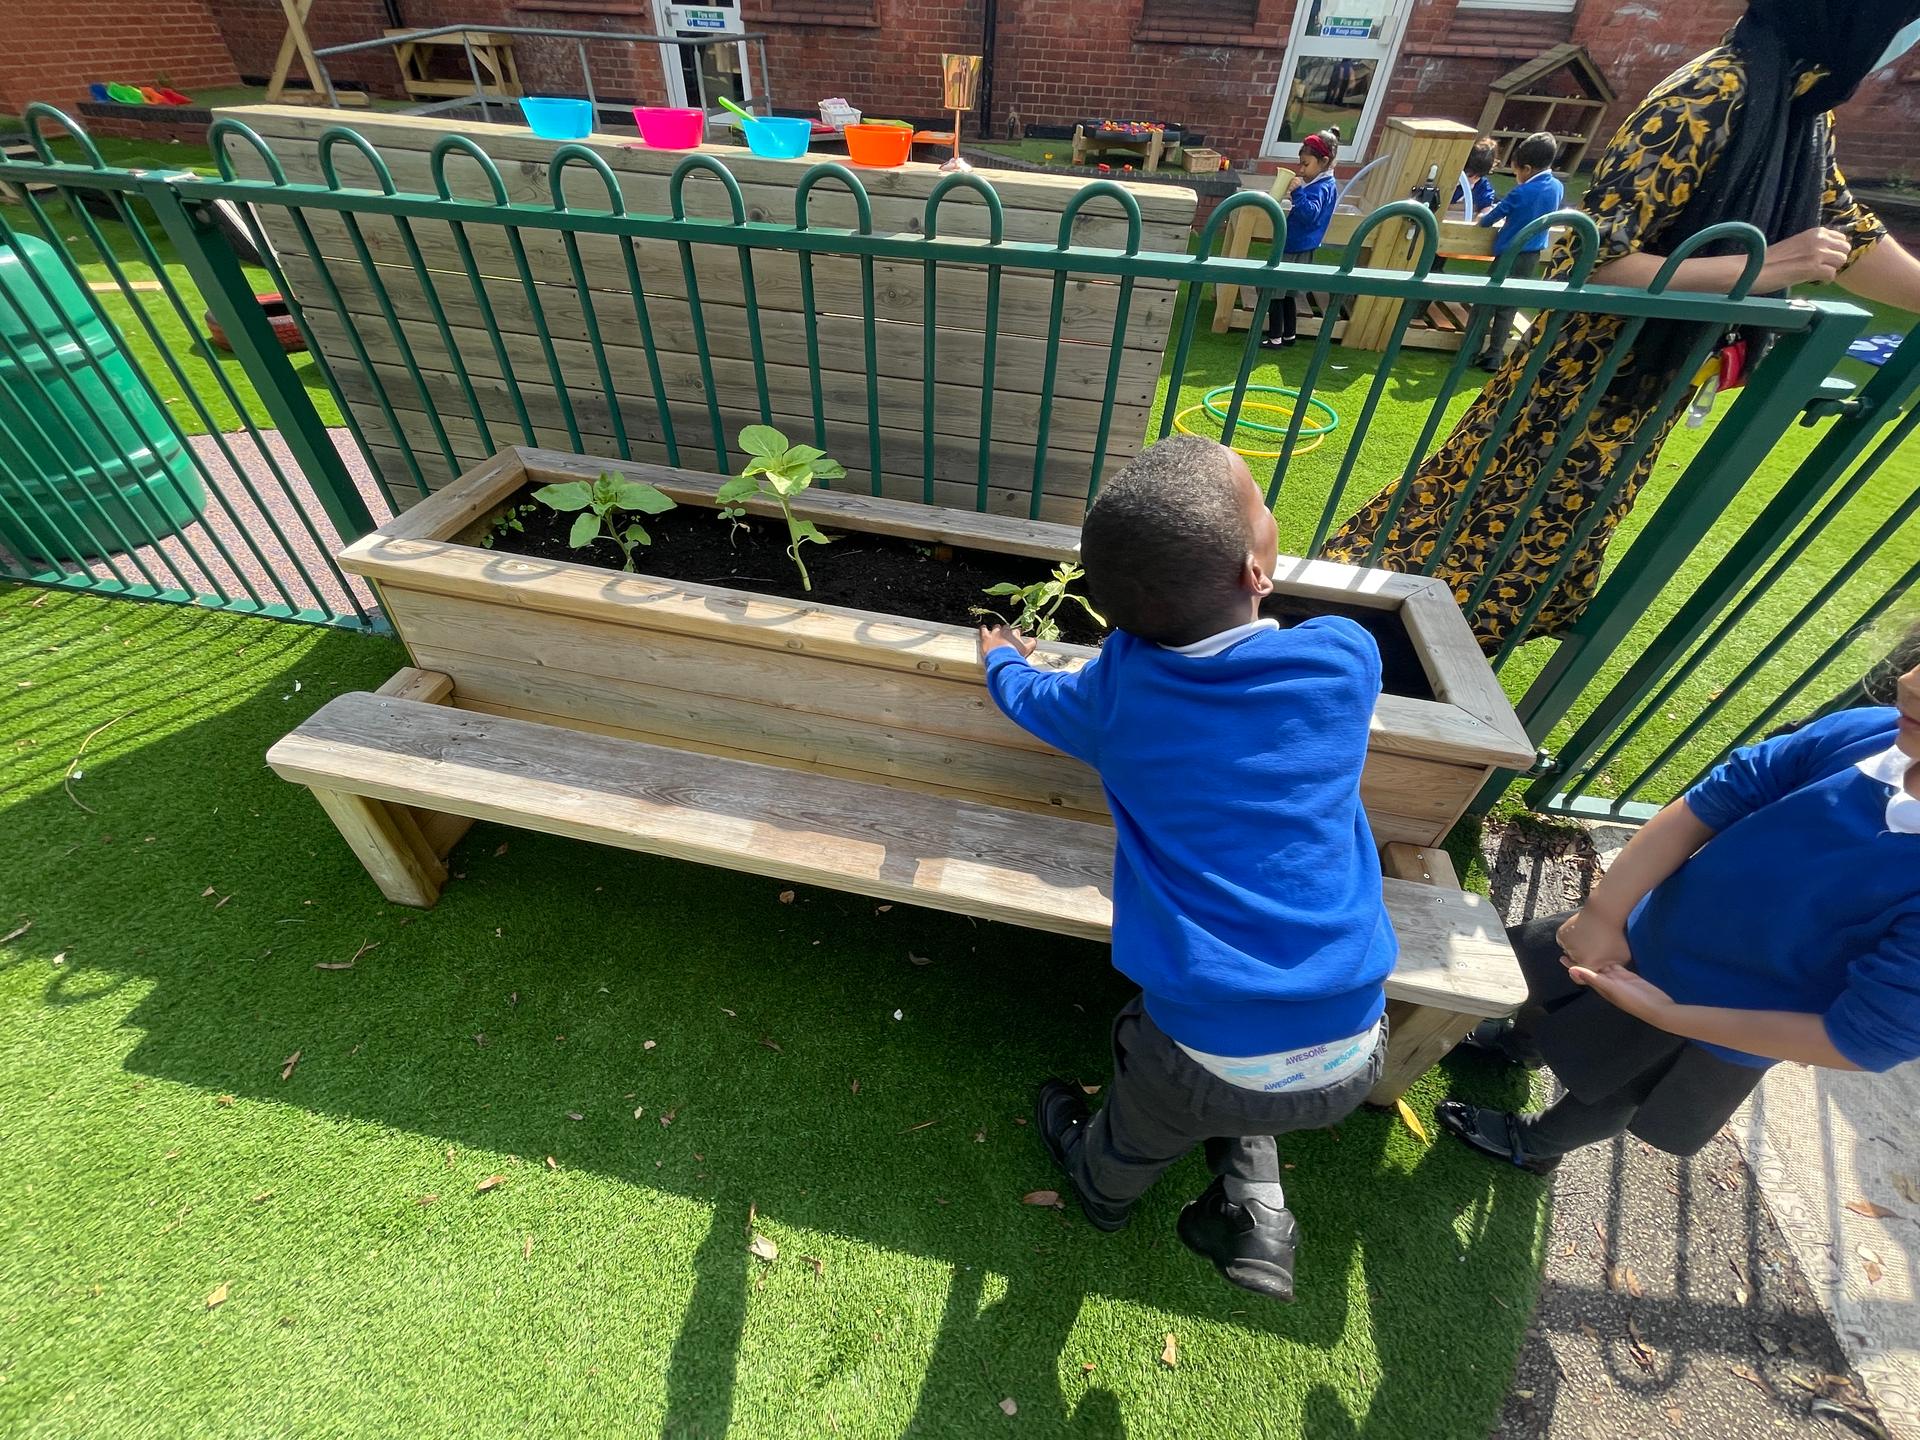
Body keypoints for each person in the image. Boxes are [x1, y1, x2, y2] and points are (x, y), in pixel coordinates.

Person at [1320, 0, 1920, 653]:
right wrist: (1762, 267)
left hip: (1645, 392)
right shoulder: (1706, 99)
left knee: (1514, 552)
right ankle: (1366, 652)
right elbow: (1587, 260)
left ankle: (1377, 651)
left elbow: (1850, 236)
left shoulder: (1801, 113)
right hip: (1574, 387)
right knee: (1486, 542)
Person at [976, 434, 1395, 1302]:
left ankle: (1097, 1192)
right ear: (1256, 570)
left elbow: (1037, 698)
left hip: (1202, 1046)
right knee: (1257, 1074)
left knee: (1146, 1114)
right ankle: (1258, 1207)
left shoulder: (1119, 695)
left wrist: (1002, 658)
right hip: (1354, 1041)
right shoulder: (1344, 659)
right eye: (1264, 506)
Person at [1439, 622, 1920, 1174]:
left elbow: (1865, 1039)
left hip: (1710, 1023)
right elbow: (1715, 798)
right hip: (1641, 933)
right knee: (1549, 991)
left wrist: (1670, 1015)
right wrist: (1603, 911)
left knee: (1611, 1093)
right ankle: (1517, 1048)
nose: (1909, 680)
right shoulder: (1867, 734)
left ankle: (1538, 1144)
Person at [1470, 132, 1564, 371]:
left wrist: (1482, 218)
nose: (1517, 177)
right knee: (1508, 306)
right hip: (1531, 256)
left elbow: (1490, 218)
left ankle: (1470, 351)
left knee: (1485, 302)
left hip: (1509, 254)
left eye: (1517, 172)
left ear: (1528, 168)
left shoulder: (1521, 192)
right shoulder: (1557, 187)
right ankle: (1495, 354)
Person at [1264, 129, 1340, 349]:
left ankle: (1275, 337)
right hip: (1303, 245)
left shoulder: (1322, 187)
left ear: (1324, 162)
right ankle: (1289, 335)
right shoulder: (1324, 184)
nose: (1301, 169)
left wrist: (1297, 193)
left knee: (1276, 292)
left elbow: (1310, 214)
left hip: (1295, 247)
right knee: (1288, 294)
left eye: (1306, 164)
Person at [1451, 137, 1498, 219]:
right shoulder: (1452, 178)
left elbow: (1486, 206)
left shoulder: (1481, 185)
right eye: (1470, 175)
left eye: (1478, 177)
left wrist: (1481, 216)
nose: (1473, 180)